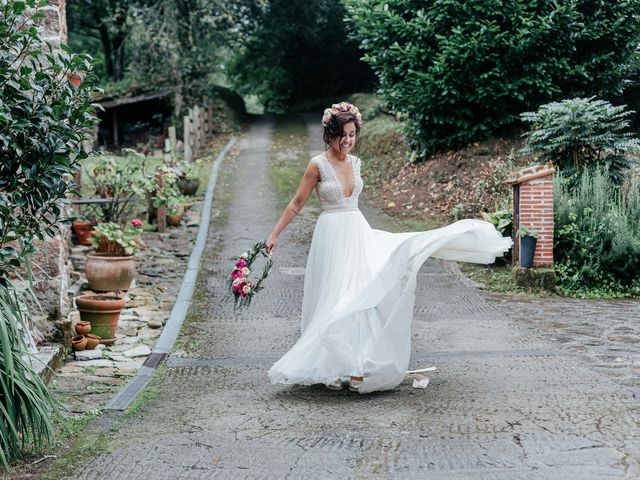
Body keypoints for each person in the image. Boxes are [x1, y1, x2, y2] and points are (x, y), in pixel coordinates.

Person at [265, 102, 512, 394]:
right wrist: (275, 234)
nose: (347, 141)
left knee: (361, 294)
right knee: (332, 297)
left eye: (352, 135)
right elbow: (297, 203)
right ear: (329, 134)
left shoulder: (355, 163)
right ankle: (328, 365)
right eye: (342, 135)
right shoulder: (317, 165)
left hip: (357, 231)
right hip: (330, 235)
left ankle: (355, 363)